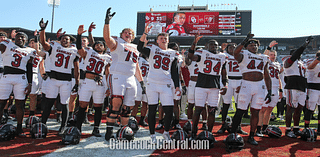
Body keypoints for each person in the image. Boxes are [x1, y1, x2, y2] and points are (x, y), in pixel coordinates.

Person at [103, 8, 145, 140]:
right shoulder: (118, 43)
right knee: (116, 105)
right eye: (126, 32)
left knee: (128, 108)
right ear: (121, 34)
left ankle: (123, 132)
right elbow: (106, 38)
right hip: (117, 76)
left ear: (133, 36)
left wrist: (141, 81)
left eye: (130, 33)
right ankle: (109, 132)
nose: (128, 34)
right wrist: (107, 23)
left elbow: (136, 66)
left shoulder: (135, 48)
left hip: (131, 78)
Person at [138, 24, 180, 143]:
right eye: (161, 38)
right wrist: (145, 33)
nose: (163, 39)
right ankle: (152, 135)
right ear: (157, 40)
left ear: (168, 40)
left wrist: (177, 85)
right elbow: (140, 48)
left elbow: (174, 71)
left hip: (166, 84)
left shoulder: (173, 53)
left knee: (169, 110)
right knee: (152, 109)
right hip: (152, 83)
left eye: (165, 38)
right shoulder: (152, 49)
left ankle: (166, 132)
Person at [38, 18, 80, 135]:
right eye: (63, 39)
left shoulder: (74, 51)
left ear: (70, 41)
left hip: (66, 80)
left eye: (67, 39)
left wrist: (77, 83)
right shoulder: (54, 47)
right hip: (53, 79)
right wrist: (43, 30)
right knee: (49, 102)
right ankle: (43, 123)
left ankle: (63, 126)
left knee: (64, 103)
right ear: (60, 40)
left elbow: (76, 68)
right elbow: (43, 43)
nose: (65, 40)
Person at [229, 33, 271, 145]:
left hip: (260, 86)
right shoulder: (243, 54)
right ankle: (232, 134)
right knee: (240, 111)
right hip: (246, 84)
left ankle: (251, 136)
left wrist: (270, 91)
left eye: (255, 45)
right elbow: (235, 52)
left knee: (255, 112)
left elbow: (267, 75)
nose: (254, 47)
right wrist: (245, 39)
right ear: (247, 47)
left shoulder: (264, 58)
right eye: (251, 45)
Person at [187, 32, 228, 138]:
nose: (214, 46)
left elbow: (224, 73)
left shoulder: (222, 56)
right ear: (206, 46)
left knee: (212, 111)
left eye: (216, 45)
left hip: (214, 86)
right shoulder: (203, 53)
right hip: (201, 85)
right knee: (198, 110)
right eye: (212, 44)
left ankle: (209, 133)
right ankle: (193, 132)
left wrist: (225, 85)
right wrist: (194, 43)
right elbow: (191, 56)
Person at [75, 25, 112, 137]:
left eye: (101, 45)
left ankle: (96, 128)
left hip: (99, 83)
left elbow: (107, 73)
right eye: (97, 44)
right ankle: (78, 127)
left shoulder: (107, 57)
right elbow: (79, 48)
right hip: (87, 81)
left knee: (98, 106)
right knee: (82, 105)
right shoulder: (89, 52)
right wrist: (79, 35)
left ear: (104, 48)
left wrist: (109, 87)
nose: (98, 46)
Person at [0, 32, 35, 136]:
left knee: (20, 104)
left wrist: (30, 83)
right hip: (6, 76)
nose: (20, 38)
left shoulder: (30, 50)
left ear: (26, 40)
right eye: (18, 37)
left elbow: (29, 68)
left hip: (21, 78)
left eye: (23, 37)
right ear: (14, 38)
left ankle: (19, 127)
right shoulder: (7, 44)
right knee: (1, 103)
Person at [282, 36, 312, 138]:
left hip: (302, 87)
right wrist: (304, 45)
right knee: (290, 108)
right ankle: (287, 130)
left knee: (299, 108)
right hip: (292, 86)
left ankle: (296, 128)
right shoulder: (288, 61)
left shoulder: (301, 63)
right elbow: (295, 55)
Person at [218, 43, 247, 135]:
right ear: (227, 49)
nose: (232, 49)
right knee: (226, 104)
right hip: (229, 80)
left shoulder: (241, 56)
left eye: (234, 48)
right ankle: (223, 125)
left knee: (240, 105)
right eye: (230, 47)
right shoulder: (224, 56)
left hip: (239, 81)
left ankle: (238, 125)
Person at [256, 41, 283, 136]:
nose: (272, 56)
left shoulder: (277, 64)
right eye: (271, 54)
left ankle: (265, 128)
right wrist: (269, 46)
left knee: (270, 110)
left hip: (275, 89)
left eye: (274, 55)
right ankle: (258, 129)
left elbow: (278, 77)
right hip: (266, 88)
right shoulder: (266, 61)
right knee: (262, 109)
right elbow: (264, 55)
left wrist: (281, 90)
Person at [305, 51, 320, 135]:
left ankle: (319, 129)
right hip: (312, 87)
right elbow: (310, 66)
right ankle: (306, 128)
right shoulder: (310, 60)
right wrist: (318, 60)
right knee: (310, 109)